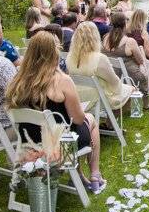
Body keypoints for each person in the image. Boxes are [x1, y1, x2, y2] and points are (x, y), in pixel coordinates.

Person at [6, 32, 105, 194]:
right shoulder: (62, 80)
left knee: (72, 125)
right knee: (90, 119)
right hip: (58, 146)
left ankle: (78, 175)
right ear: (54, 52)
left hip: (29, 143)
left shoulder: (18, 81)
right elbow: (78, 119)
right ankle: (95, 174)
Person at [67, 21, 134, 117]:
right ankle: (110, 122)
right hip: (97, 98)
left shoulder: (70, 57)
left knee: (122, 88)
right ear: (95, 37)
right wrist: (124, 88)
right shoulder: (99, 58)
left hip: (76, 96)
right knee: (131, 89)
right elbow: (114, 81)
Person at [102, 12, 149, 107]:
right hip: (129, 75)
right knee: (148, 69)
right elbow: (140, 60)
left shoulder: (105, 38)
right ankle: (146, 104)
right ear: (124, 24)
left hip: (111, 72)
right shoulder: (129, 41)